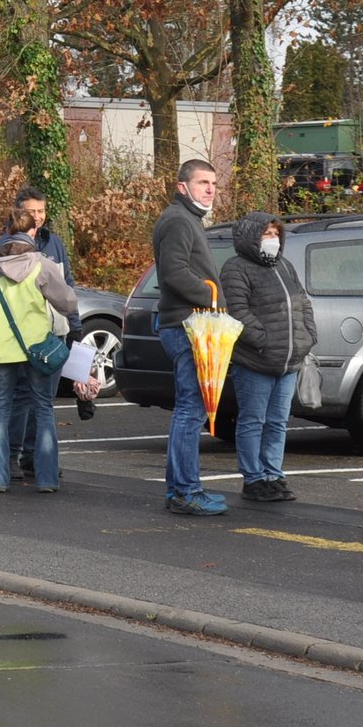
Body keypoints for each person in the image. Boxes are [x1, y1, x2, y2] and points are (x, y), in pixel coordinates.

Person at [0, 211, 79, 491]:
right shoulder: (42, 265)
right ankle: (46, 479)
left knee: (1, 410)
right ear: (32, 232)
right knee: (44, 410)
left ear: (7, 232)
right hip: (37, 348)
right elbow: (67, 303)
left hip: (1, 349)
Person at [221, 212, 317, 501]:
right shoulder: (236, 269)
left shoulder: (284, 266)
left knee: (277, 421)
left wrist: (308, 337)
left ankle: (273, 474)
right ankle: (253, 478)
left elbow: (303, 303)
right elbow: (237, 312)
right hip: (256, 361)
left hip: (288, 362)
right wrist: (262, 341)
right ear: (252, 237)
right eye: (267, 234)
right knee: (253, 420)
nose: (273, 240)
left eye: (276, 234)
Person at [154, 160, 227, 514]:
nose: (210, 189)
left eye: (214, 183)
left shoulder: (184, 219)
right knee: (190, 411)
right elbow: (173, 273)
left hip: (186, 325)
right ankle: (185, 491)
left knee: (189, 410)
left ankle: (179, 490)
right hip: (187, 327)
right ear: (183, 186)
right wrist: (211, 297)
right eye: (202, 182)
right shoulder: (179, 220)